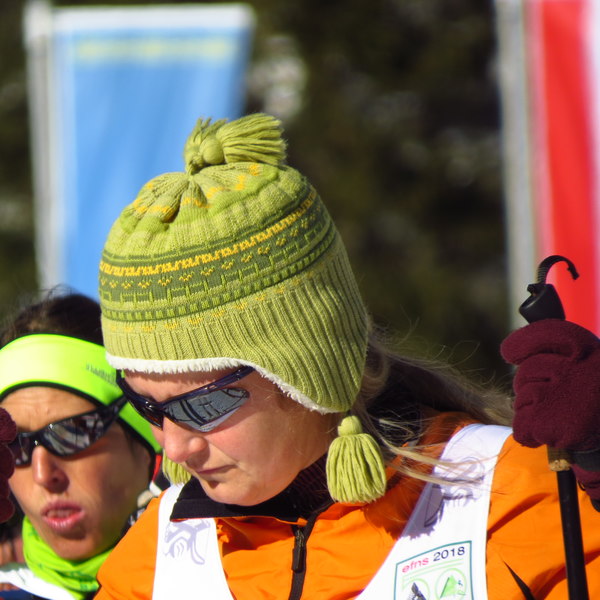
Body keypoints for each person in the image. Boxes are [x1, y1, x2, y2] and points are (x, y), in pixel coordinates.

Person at [93, 113, 600, 599]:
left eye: (203, 405)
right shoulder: (157, 556)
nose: (175, 448)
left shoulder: (506, 494)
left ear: (306, 371)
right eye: (147, 406)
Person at [0, 291, 162, 600]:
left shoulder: (227, 572)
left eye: (73, 432)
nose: (43, 474)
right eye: (15, 445)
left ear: (145, 440)